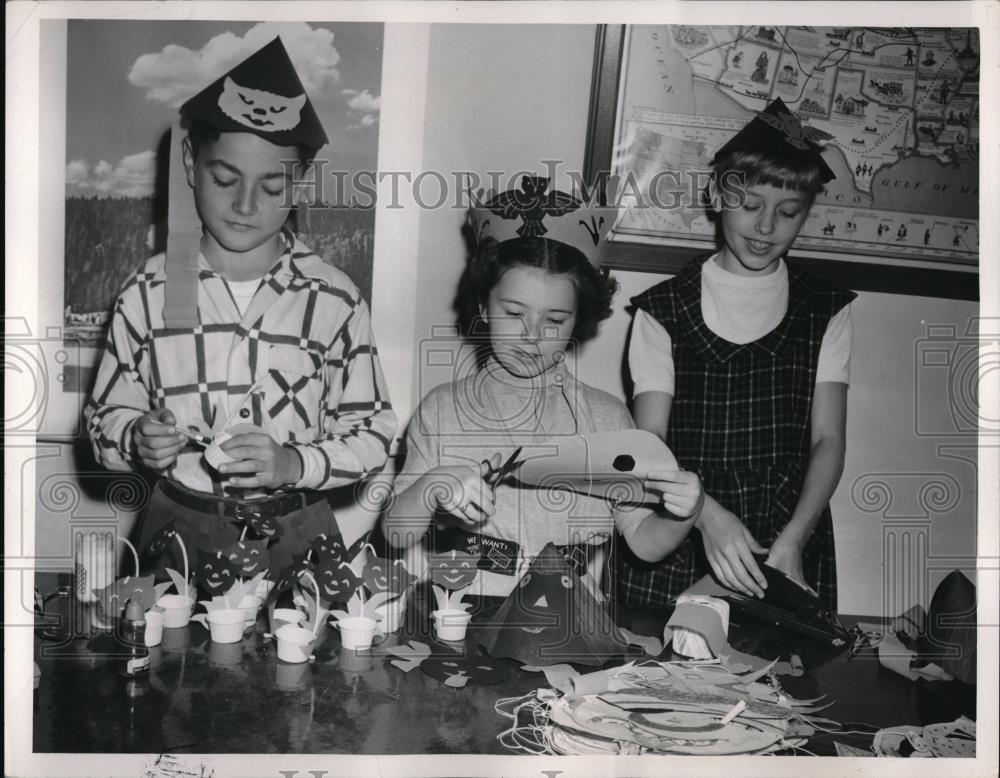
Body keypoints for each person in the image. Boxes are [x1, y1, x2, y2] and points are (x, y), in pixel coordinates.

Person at [85, 38, 396, 574]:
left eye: (272, 185)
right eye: (224, 179)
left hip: (296, 532)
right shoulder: (150, 290)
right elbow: (103, 418)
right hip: (178, 530)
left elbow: (372, 432)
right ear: (190, 162)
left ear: (300, 183)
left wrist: (295, 462)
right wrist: (135, 437)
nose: (245, 205)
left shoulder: (335, 299)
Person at [382, 179, 702, 600]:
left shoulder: (608, 417)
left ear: (578, 321)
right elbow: (396, 534)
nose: (532, 336)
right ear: (483, 305)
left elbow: (643, 541)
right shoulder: (443, 409)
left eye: (554, 321)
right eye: (513, 313)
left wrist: (684, 513)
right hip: (460, 610)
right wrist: (434, 483)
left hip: (573, 614)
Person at [615, 98, 856, 611]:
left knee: (782, 677)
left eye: (788, 213)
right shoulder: (663, 308)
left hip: (787, 530)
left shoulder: (825, 310)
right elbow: (649, 441)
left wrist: (796, 538)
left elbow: (829, 440)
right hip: (682, 515)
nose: (766, 227)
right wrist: (705, 516)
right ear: (716, 196)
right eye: (750, 206)